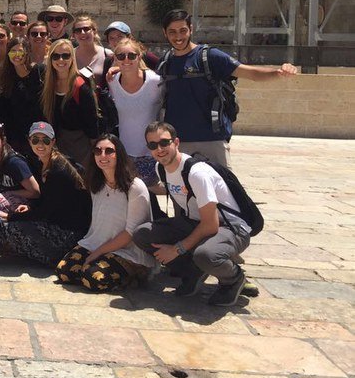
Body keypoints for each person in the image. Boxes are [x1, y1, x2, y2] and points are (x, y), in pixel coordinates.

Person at [156, 9, 298, 167]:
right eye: (172, 32)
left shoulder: (210, 57)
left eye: (183, 30)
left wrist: (278, 72)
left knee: (222, 183)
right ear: (164, 33)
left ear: (191, 29)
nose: (178, 37)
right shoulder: (165, 62)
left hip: (212, 140)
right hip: (177, 143)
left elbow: (250, 73)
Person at [133, 122, 252, 306]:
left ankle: (233, 279)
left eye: (164, 143)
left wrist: (176, 249)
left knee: (205, 255)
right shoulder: (161, 168)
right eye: (153, 145)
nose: (159, 149)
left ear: (176, 142)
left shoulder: (197, 173)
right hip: (196, 222)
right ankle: (192, 271)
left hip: (230, 227)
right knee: (143, 234)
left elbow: (210, 225)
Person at [56, 135, 154, 291]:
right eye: (97, 151)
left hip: (126, 251)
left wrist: (97, 253)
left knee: (92, 278)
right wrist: (94, 250)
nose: (102, 155)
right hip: (97, 242)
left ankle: (134, 274)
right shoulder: (97, 183)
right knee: (65, 272)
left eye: (109, 151)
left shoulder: (135, 187)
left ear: (119, 154)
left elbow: (130, 233)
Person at [2, 122, 92, 267]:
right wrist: (30, 208)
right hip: (59, 222)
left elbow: (46, 211)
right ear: (29, 141)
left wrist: (11, 217)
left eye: (45, 140)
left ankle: (55, 257)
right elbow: (47, 200)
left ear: (53, 142)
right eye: (35, 140)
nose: (40, 144)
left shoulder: (58, 170)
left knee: (9, 229)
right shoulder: (45, 163)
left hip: (70, 233)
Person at [108, 37, 167, 217]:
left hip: (152, 152)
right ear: (115, 58)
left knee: (154, 191)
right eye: (121, 56)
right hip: (125, 153)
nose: (126, 60)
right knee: (134, 203)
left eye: (131, 55)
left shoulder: (156, 82)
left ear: (139, 56)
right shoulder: (113, 81)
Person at [40, 39, 99, 165]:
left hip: (79, 146)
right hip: (56, 143)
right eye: (56, 56)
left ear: (72, 58)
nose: (61, 60)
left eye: (65, 56)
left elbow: (91, 121)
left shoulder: (80, 86)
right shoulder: (48, 84)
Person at [0, 122, 39, 219]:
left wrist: (10, 193)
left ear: (3, 140)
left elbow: (35, 192)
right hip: (10, 200)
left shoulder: (14, 163)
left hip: (28, 205)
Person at [0, 36, 44, 153]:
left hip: (39, 133)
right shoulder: (6, 77)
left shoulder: (39, 72)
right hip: (15, 136)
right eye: (12, 51)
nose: (16, 55)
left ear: (27, 52)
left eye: (20, 51)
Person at [73, 14, 114, 80]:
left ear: (94, 31)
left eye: (86, 29)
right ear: (74, 35)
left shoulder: (108, 54)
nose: (82, 33)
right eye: (78, 30)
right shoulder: (69, 55)